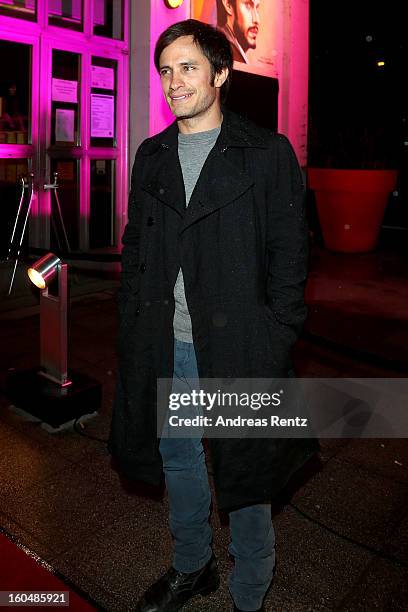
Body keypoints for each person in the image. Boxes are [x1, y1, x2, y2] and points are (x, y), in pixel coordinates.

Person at [108, 18, 318, 612]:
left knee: (244, 469)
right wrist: (130, 321)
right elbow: (135, 247)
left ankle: (251, 587)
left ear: (221, 73)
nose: (174, 83)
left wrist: (277, 334)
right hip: (165, 342)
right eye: (166, 71)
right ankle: (192, 566)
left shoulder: (265, 154)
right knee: (178, 458)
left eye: (189, 68)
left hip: (237, 346)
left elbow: (289, 254)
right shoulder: (150, 157)